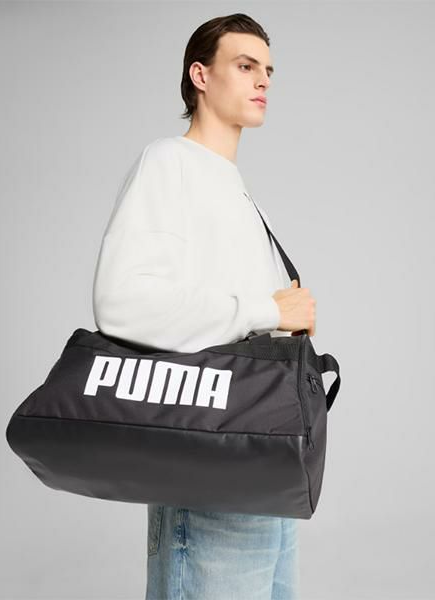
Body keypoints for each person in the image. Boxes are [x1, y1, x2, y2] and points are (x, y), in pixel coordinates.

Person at [92, 12, 316, 600]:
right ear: (200, 75)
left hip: (262, 463)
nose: (263, 80)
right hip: (210, 465)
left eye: (268, 70)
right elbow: (122, 302)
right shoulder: (168, 162)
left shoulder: (238, 190)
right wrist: (268, 311)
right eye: (245, 66)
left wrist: (286, 326)